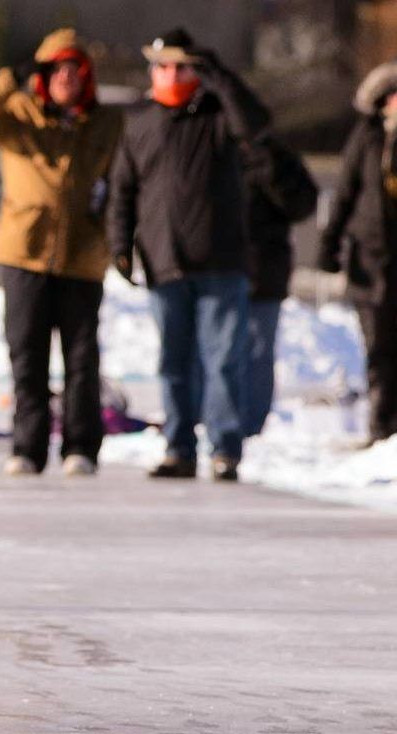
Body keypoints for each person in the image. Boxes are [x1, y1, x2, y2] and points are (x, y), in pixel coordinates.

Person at [0, 28, 124, 477]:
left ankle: (81, 446)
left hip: (82, 255)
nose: (66, 77)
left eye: (75, 69)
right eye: (56, 70)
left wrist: (117, 238)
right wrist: (10, 77)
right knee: (27, 355)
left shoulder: (105, 123)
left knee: (82, 358)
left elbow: (126, 180)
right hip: (24, 253)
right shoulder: (19, 115)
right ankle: (27, 447)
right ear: (41, 76)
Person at [107, 28, 270, 481]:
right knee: (173, 362)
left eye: (182, 67)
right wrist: (120, 245)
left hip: (221, 261)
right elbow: (122, 189)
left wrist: (219, 77)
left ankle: (225, 448)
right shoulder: (140, 120)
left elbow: (256, 125)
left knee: (222, 361)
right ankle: (179, 447)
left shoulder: (219, 113)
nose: (171, 75)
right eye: (163, 66)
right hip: (164, 260)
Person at [318, 60, 397, 446]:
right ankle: (382, 428)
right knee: (378, 348)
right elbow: (345, 195)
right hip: (371, 261)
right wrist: (329, 248)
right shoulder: (365, 139)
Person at [237, 134, 317, 437]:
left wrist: (268, 164)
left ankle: (249, 429)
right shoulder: (208, 142)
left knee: (257, 349)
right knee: (213, 352)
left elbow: (302, 204)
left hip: (263, 269)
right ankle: (215, 422)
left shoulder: (275, 155)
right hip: (212, 267)